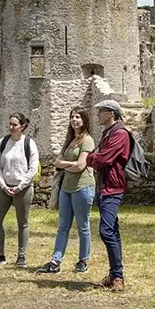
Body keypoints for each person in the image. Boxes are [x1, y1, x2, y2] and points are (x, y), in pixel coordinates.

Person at [37, 107, 95, 275]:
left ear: (84, 120)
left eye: (78, 117)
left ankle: (83, 261)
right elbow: (57, 162)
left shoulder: (88, 140)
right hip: (66, 188)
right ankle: (55, 261)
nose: (74, 120)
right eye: (72, 117)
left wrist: (66, 165)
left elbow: (80, 166)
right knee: (63, 226)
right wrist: (70, 164)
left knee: (83, 226)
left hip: (82, 187)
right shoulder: (70, 140)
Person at [86, 99, 130, 291]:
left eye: (101, 111)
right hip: (105, 187)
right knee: (112, 231)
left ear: (111, 113)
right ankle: (114, 275)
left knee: (106, 231)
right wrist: (95, 158)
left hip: (113, 188)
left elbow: (103, 159)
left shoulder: (119, 134)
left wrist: (91, 157)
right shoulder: (108, 133)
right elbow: (100, 158)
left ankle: (117, 277)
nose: (97, 114)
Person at [0, 112, 39, 268]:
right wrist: (4, 186)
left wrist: (19, 186)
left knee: (22, 223)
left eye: (14, 124)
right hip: (5, 187)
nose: (11, 127)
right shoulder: (2, 142)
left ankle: (21, 256)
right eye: (10, 124)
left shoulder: (29, 143)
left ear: (22, 126)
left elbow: (33, 168)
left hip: (23, 188)